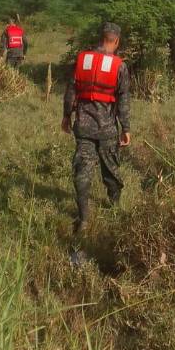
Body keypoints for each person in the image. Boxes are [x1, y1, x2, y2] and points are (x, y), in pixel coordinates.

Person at [62, 22, 131, 232]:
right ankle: (115, 207)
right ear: (116, 41)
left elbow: (71, 91)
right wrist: (126, 128)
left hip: (83, 127)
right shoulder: (119, 65)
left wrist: (66, 116)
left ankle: (83, 218)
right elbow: (123, 100)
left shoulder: (82, 59)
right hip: (107, 129)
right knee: (111, 170)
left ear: (101, 38)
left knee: (82, 170)